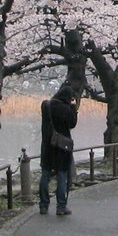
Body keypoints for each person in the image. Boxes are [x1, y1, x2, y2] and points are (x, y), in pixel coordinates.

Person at [39, 85, 79, 216]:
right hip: (62, 147)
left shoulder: (46, 106)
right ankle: (61, 207)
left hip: (47, 145)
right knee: (62, 175)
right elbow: (72, 123)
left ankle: (44, 206)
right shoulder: (66, 109)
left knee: (45, 175)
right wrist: (73, 107)